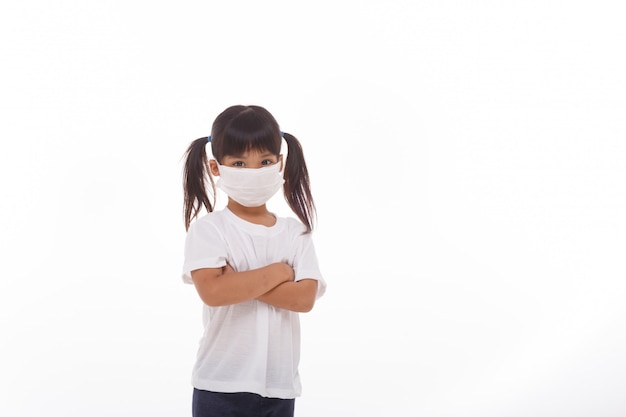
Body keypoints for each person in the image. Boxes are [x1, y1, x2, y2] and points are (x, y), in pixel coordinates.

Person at [181, 105, 326, 417]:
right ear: (216, 167)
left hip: (280, 387)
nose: (253, 171)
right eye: (239, 163)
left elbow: (303, 299)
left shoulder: (296, 232)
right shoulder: (209, 230)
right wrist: (280, 271)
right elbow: (214, 293)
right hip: (219, 385)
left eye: (264, 161)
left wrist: (237, 281)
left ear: (279, 162)